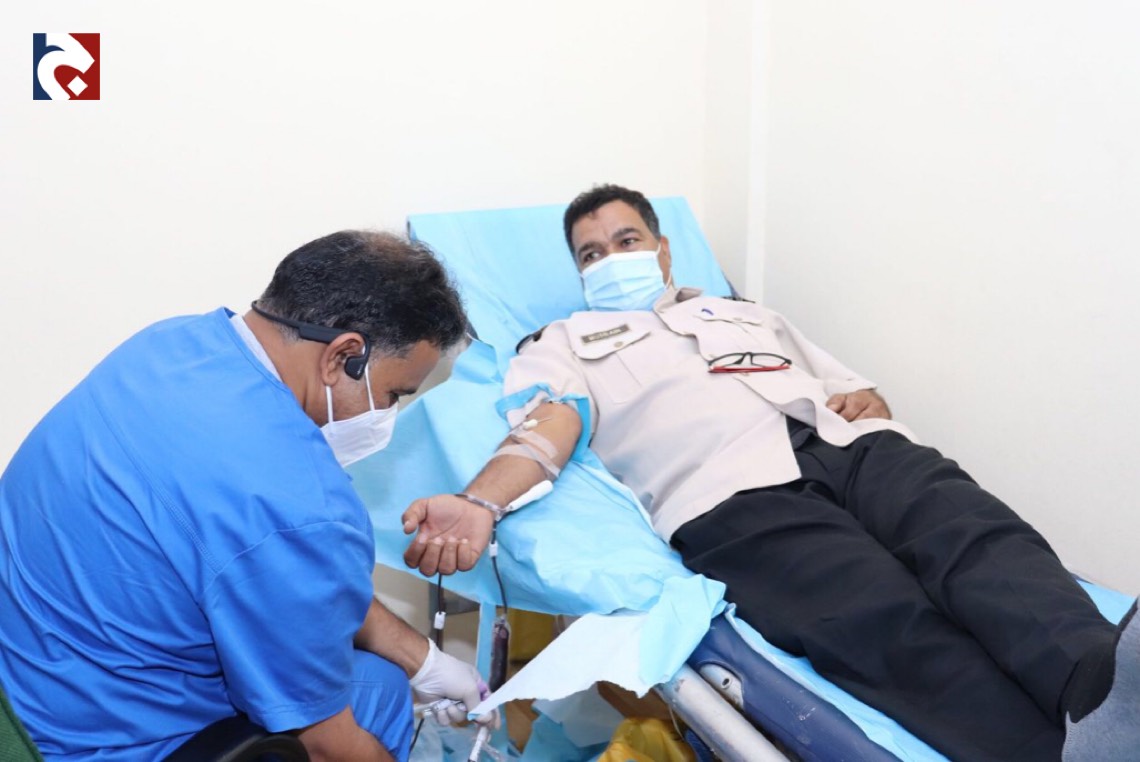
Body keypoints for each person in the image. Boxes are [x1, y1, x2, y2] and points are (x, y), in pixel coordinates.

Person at [400, 185, 1139, 761]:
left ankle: (1103, 697)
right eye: (591, 254)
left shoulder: (744, 314)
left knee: (982, 543)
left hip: (852, 447)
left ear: (662, 250)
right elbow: (546, 427)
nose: (609, 258)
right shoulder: (563, 340)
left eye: (625, 240)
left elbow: (853, 387)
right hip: (727, 492)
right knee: (876, 614)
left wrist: (869, 403)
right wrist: (479, 503)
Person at [0, 231, 492, 761]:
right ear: (345, 356)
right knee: (376, 696)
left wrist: (424, 660)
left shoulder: (167, 344)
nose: (386, 415)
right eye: (393, 394)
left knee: (378, 673)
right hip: (91, 744)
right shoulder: (299, 504)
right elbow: (326, 747)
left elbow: (285, 580)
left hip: (20, 689)